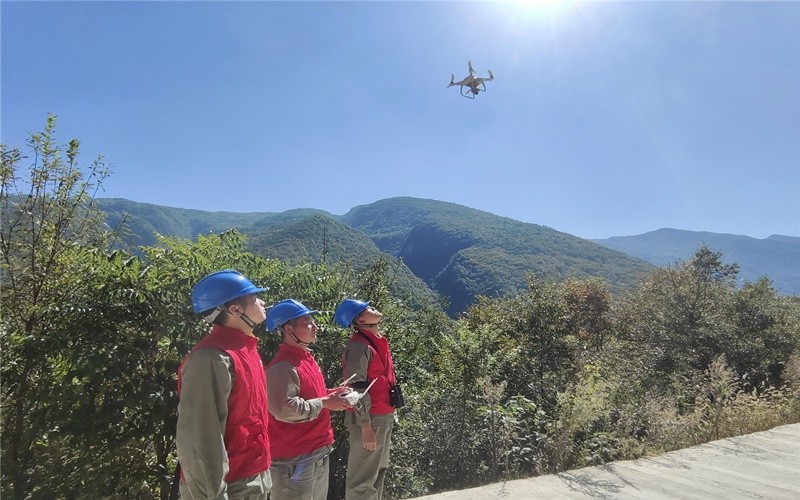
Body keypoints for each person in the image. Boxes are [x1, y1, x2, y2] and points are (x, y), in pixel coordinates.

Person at [176, 269, 272, 499]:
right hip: (229, 486)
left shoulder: (245, 349)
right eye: (253, 297)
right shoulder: (211, 358)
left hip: (254, 478)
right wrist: (214, 494)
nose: (262, 301)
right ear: (235, 309)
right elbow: (200, 437)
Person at [264, 299, 352, 500]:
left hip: (314, 452)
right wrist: (325, 402)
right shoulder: (282, 367)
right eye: (308, 323)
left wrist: (331, 394)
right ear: (289, 329)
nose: (316, 327)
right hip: (293, 459)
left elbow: (309, 396)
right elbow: (284, 408)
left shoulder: (304, 359)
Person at [335, 299, 400, 500]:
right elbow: (357, 389)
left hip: (382, 415)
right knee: (363, 480)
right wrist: (365, 427)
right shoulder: (358, 347)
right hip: (370, 419)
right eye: (368, 308)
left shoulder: (374, 341)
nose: (374, 309)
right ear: (361, 319)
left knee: (377, 473)